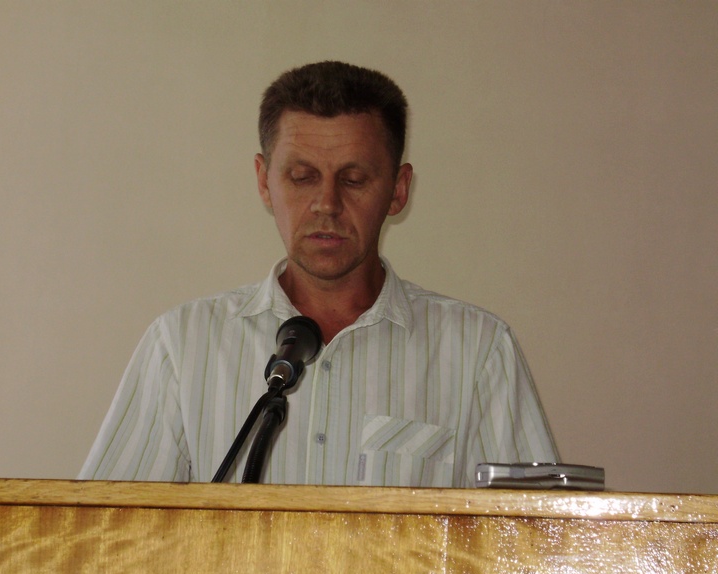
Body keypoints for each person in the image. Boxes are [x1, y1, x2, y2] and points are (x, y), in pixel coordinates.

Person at [79, 61, 558, 487]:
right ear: (264, 182)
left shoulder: (478, 352)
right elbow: (101, 539)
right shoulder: (182, 346)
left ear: (398, 190)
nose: (327, 204)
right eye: (302, 177)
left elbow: (539, 543)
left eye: (353, 179)